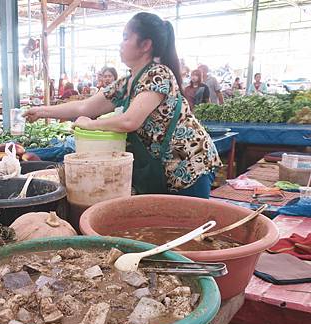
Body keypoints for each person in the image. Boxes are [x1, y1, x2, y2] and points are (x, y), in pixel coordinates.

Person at [25, 12, 221, 199]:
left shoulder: (158, 74)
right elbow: (84, 107)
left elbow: (129, 121)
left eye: (126, 37)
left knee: (191, 228)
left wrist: (90, 125)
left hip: (190, 164)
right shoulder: (126, 83)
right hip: (165, 168)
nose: (121, 43)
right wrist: (42, 111)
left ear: (145, 45)